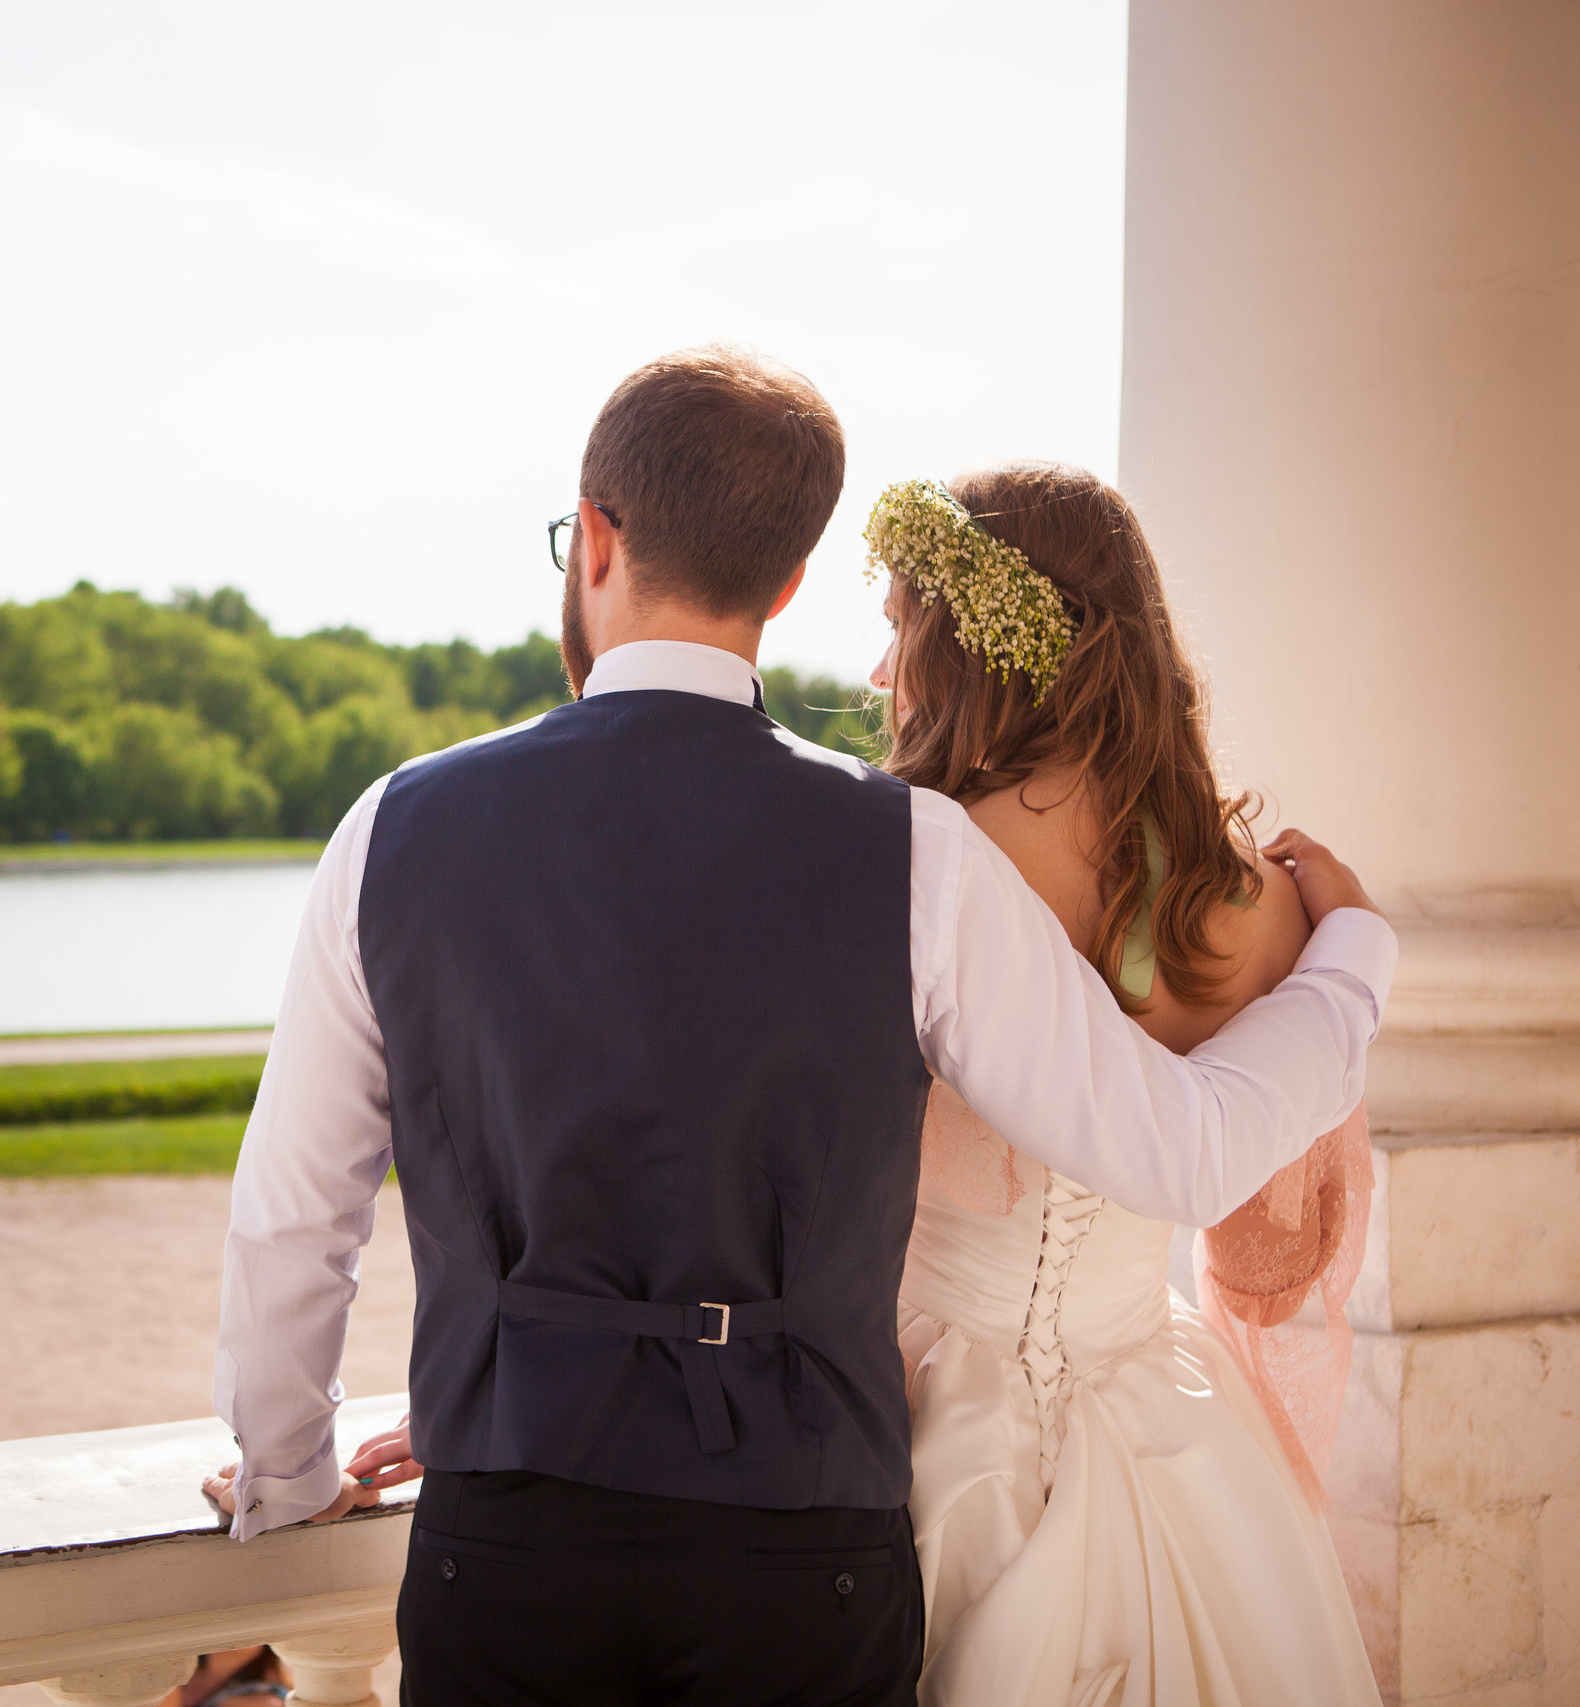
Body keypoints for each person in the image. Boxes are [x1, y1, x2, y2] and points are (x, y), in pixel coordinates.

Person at [206, 344, 1396, 1706]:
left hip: (505, 1537)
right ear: (787, 583)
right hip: (803, 1550)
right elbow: (1176, 1151)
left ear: (595, 536)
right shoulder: (914, 854)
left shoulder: (392, 825)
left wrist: (288, 1469)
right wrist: (1356, 960)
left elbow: (293, 1212)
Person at [864, 467, 1381, 1703]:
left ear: (977, 643)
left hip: (914, 1408)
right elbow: (1269, 1248)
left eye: (899, 630)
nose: (880, 673)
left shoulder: (923, 860)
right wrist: (1349, 954)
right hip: (1167, 1411)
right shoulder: (1261, 900)